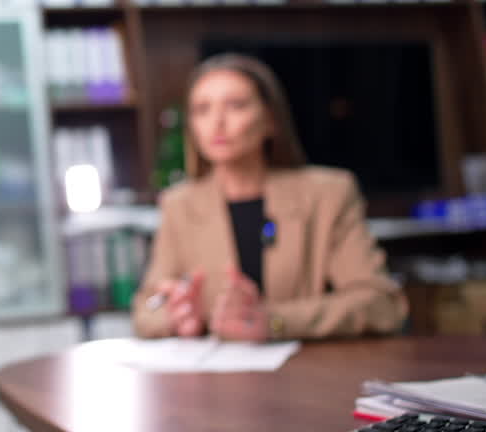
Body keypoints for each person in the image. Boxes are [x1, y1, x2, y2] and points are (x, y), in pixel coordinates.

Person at [131, 53, 408, 341]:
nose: (217, 122)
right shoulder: (179, 204)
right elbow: (146, 310)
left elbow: (381, 305)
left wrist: (275, 322)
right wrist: (177, 318)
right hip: (217, 378)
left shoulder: (329, 194)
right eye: (202, 109)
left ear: (271, 119)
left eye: (236, 105)